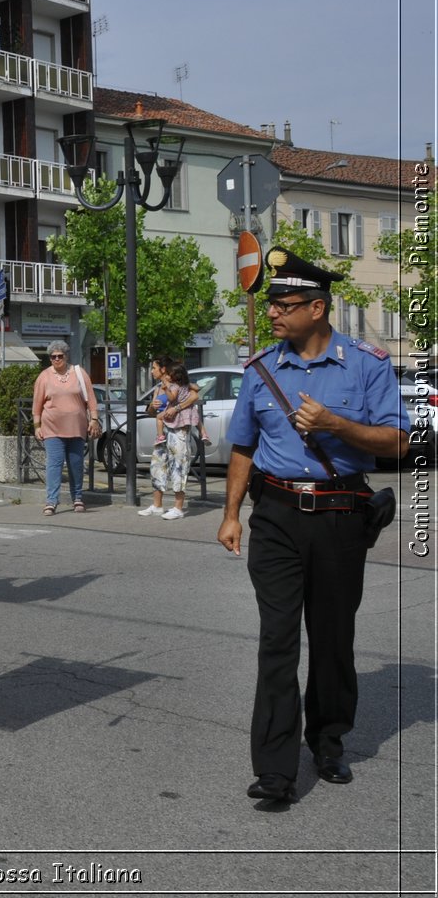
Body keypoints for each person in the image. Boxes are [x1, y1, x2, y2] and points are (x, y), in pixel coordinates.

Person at [218, 248, 408, 803]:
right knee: (277, 640)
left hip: (340, 516)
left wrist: (334, 424)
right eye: (272, 303)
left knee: (331, 637)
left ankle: (328, 740)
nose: (274, 312)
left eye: (286, 303)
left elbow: (398, 440)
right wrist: (232, 514)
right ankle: (275, 769)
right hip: (275, 515)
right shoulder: (261, 370)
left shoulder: (367, 365)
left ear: (318, 308)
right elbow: (243, 447)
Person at [31, 339, 99, 515]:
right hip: (52, 427)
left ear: (66, 356)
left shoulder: (79, 373)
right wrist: (37, 426)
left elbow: (91, 398)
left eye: (59, 356)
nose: (56, 359)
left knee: (76, 464)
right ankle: (51, 501)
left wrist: (94, 419)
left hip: (77, 427)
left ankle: (77, 498)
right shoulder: (44, 377)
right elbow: (37, 404)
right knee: (54, 464)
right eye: (52, 356)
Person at [142, 358, 200, 520]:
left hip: (178, 432)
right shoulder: (158, 388)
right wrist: (152, 407)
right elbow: (152, 413)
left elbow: (195, 395)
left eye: (154, 367)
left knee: (179, 466)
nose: (152, 371)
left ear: (163, 369)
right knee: (157, 466)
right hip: (163, 433)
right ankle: (157, 505)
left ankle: (178, 507)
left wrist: (176, 408)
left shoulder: (180, 385)